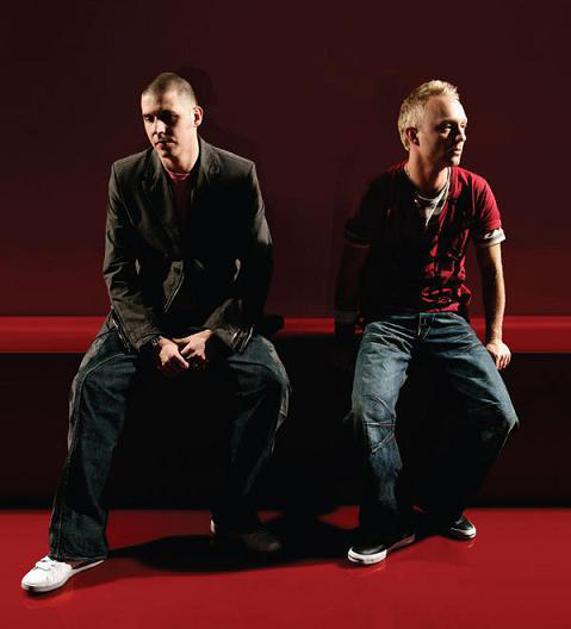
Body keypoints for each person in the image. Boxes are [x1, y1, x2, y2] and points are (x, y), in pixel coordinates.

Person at [21, 72, 290, 593]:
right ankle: (74, 546)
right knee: (91, 384)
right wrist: (150, 341)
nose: (157, 129)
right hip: (145, 317)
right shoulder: (126, 175)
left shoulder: (238, 175)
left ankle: (233, 516)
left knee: (270, 381)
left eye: (167, 117)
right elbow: (118, 271)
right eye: (149, 118)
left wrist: (216, 335)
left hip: (218, 317)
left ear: (196, 117)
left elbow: (258, 269)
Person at [334, 80, 518, 566]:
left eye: (463, 127)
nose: (459, 136)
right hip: (387, 322)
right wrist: (344, 332)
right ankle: (386, 519)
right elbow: (351, 269)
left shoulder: (475, 190)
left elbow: (492, 271)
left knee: (499, 414)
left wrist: (494, 337)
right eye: (446, 128)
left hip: (447, 319)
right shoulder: (381, 192)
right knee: (367, 411)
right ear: (411, 136)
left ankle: (441, 506)